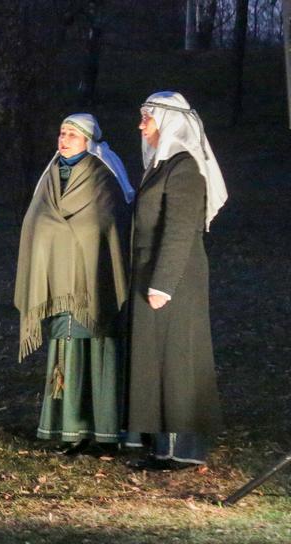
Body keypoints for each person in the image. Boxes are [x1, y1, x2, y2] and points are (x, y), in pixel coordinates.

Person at [14, 114, 133, 453]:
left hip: (94, 283)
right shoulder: (51, 176)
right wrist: (56, 236)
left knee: (97, 352)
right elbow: (36, 220)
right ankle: (68, 430)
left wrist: (66, 234)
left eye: (72, 135)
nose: (63, 139)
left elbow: (105, 222)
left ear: (88, 141)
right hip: (58, 286)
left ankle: (104, 432)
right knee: (65, 351)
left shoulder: (102, 176)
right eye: (61, 133)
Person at [126, 91, 227, 470]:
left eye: (147, 118)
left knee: (177, 358)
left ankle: (184, 448)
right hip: (151, 270)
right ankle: (161, 447)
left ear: (169, 123)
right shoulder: (159, 166)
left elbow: (180, 229)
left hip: (175, 277)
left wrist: (163, 283)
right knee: (156, 358)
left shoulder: (184, 168)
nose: (141, 126)